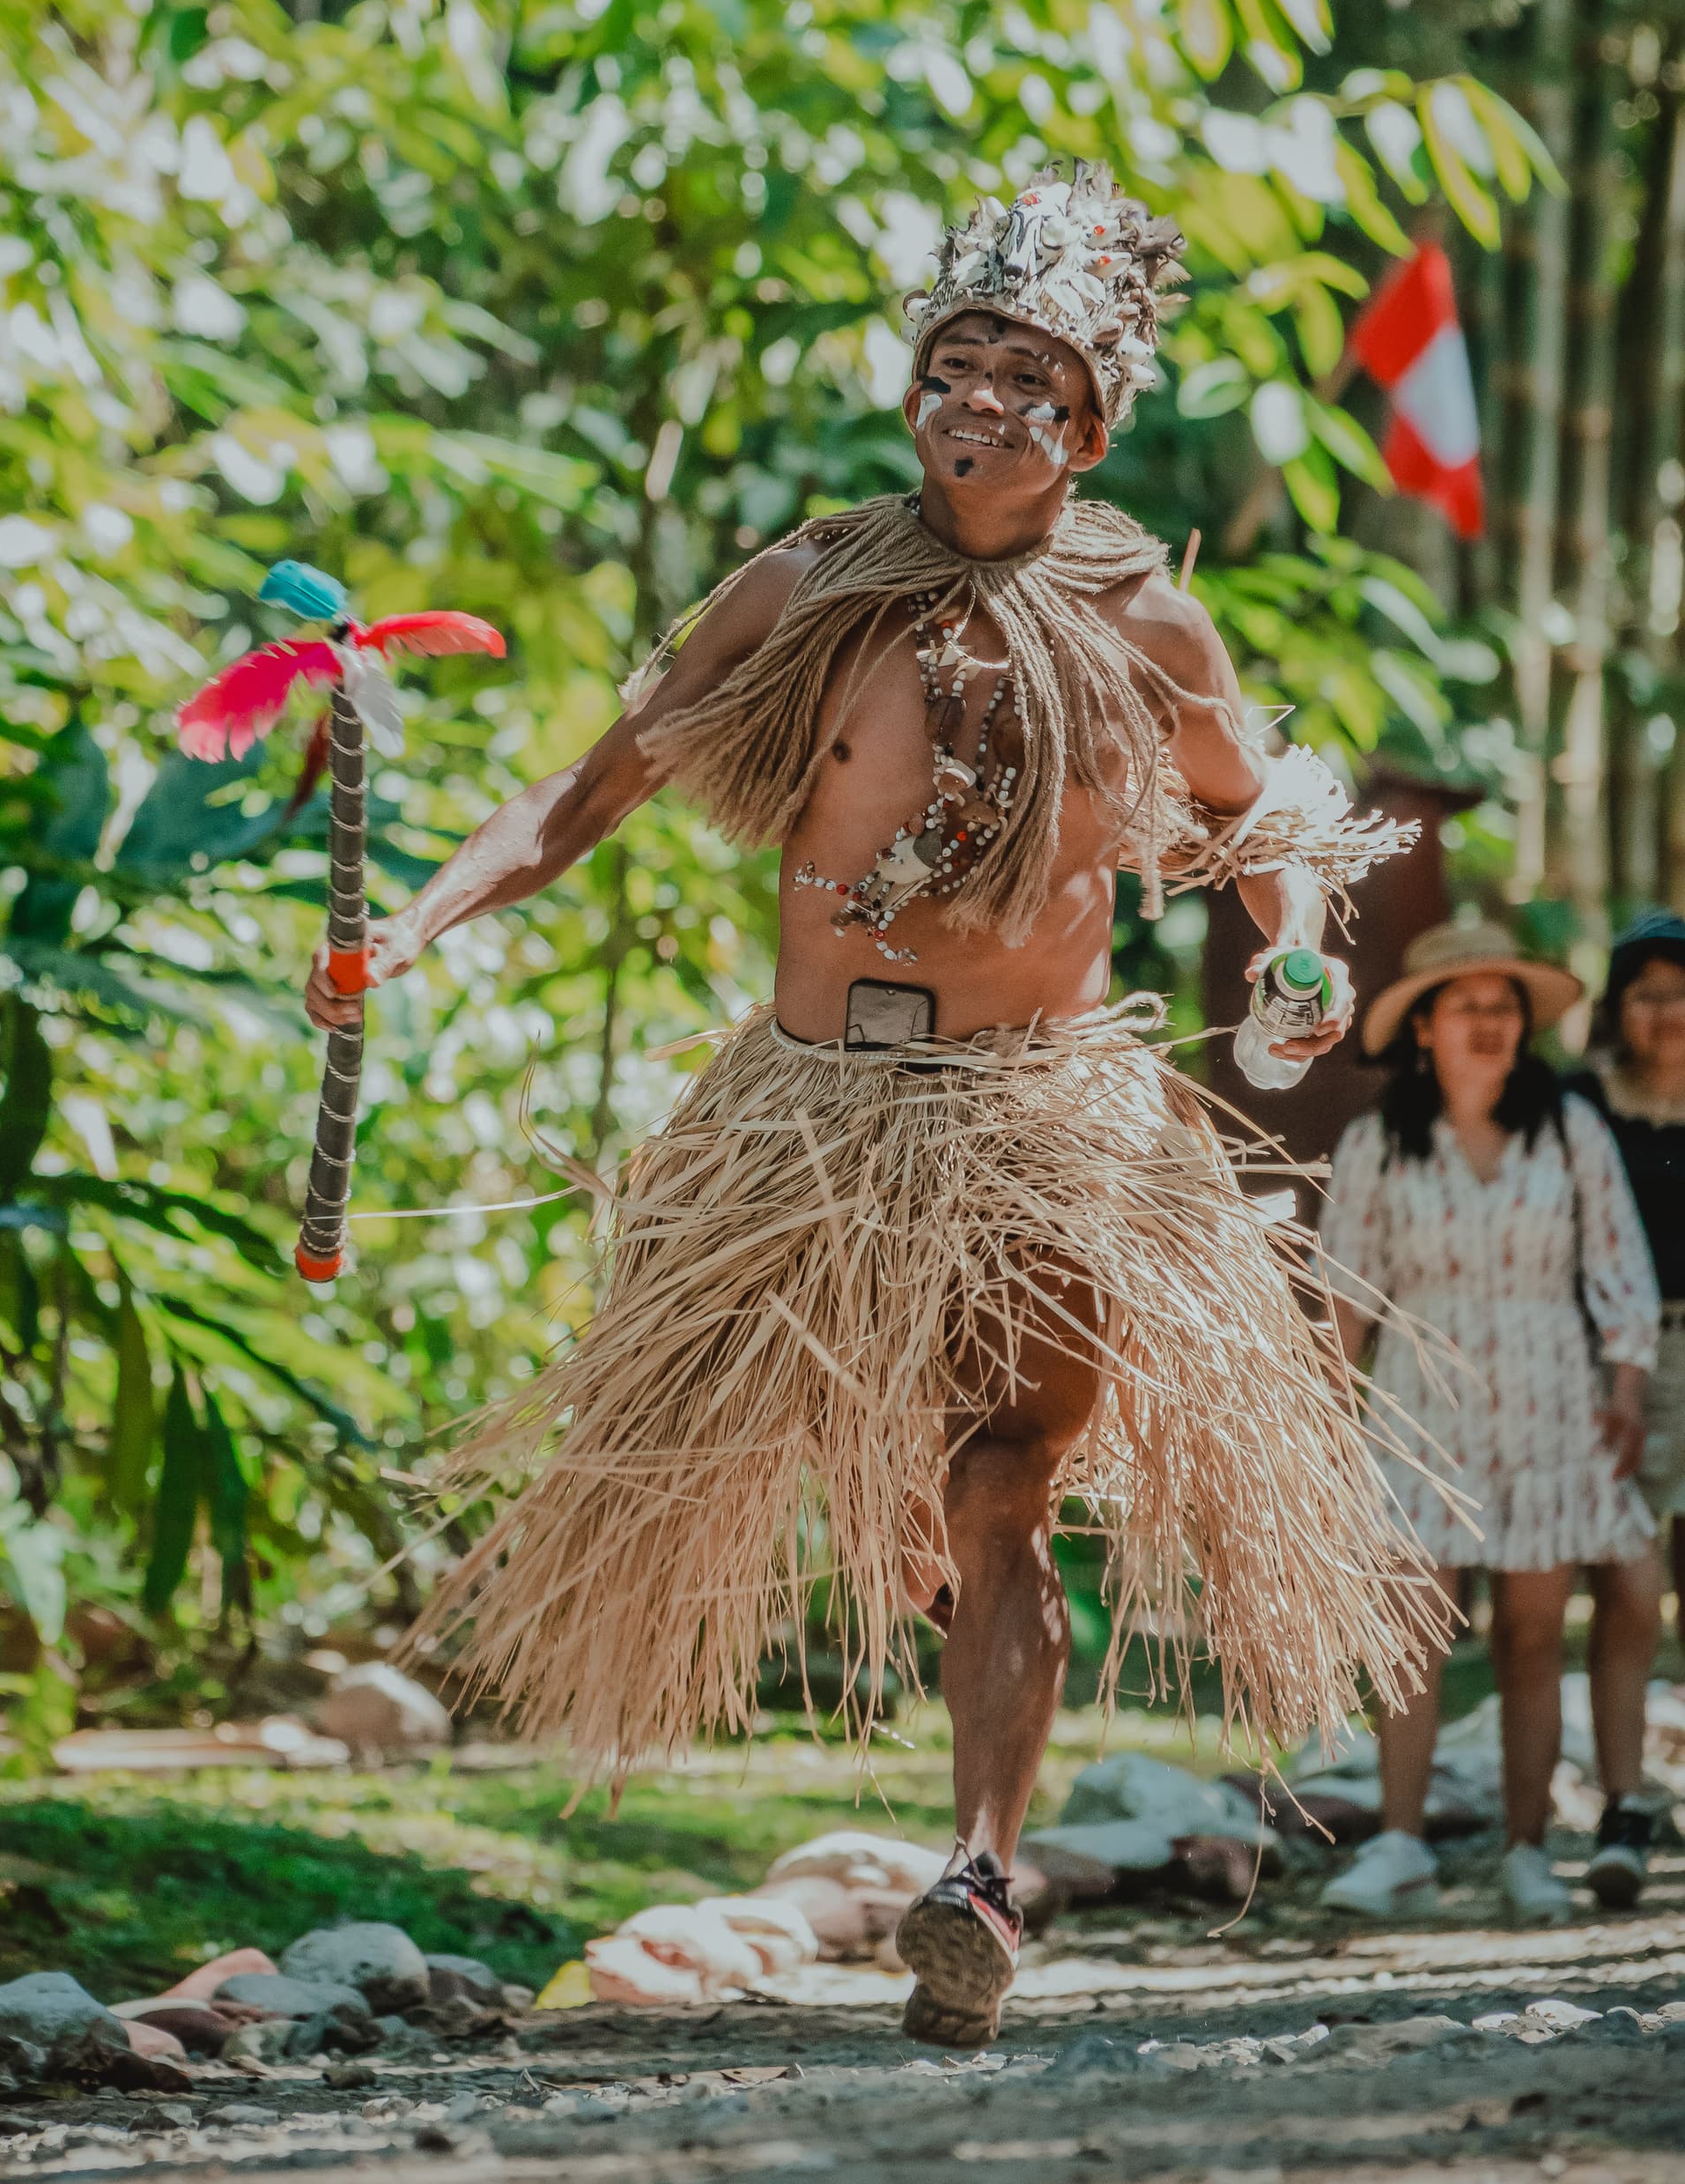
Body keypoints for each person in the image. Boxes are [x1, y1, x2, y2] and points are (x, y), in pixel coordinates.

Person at [306, 162, 1434, 2047]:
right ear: (915, 384)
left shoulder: (1147, 619)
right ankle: (929, 1589)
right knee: (928, 1485)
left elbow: (1262, 822)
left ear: (1089, 420)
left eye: (1026, 374)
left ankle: (978, 1872)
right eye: (956, 361)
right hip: (811, 1122)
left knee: (1006, 1476)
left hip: (1046, 1112)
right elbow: (581, 798)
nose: (980, 399)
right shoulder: (811, 584)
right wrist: (404, 926)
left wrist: (1300, 941)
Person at [1318, 919, 1662, 1929]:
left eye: (1504, 1006)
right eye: (1465, 1005)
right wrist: (1330, 1411)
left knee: (1531, 1633)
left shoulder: (1568, 1127)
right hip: (1422, 1401)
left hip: (1552, 1391)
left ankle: (1526, 1851)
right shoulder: (1380, 1139)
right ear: (1424, 1026)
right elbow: (1345, 1284)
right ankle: (1399, 1843)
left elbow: (1619, 1264)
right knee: (1414, 1628)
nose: (1489, 1022)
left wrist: (1626, 1392)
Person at [1566, 911, 1685, 1648]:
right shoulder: (1579, 1104)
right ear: (1615, 1010)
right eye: (1647, 994)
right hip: (1612, 1362)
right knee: (1623, 1570)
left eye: (1682, 991)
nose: (1667, 1011)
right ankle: (1620, 1759)